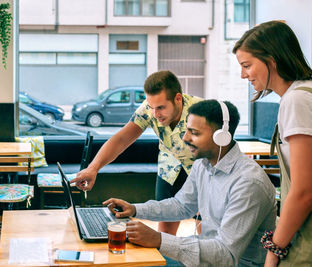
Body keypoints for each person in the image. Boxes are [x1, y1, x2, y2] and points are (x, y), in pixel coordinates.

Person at [104, 100, 277, 267]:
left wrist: (159, 239)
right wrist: (135, 209)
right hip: (206, 257)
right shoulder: (203, 163)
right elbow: (182, 206)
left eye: (194, 133)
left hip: (231, 263)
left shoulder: (248, 183)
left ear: (221, 137)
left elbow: (226, 254)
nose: (185, 138)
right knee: (133, 260)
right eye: (186, 130)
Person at [71, 70, 202, 235]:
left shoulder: (201, 111)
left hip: (200, 168)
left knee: (205, 224)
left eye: (161, 107)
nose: (155, 114)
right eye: (152, 107)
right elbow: (121, 139)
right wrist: (93, 168)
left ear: (178, 98)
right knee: (166, 227)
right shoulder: (149, 109)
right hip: (169, 167)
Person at [233, 20, 312, 267]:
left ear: (272, 60)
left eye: (247, 65)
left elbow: (303, 192)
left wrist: (273, 250)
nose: (243, 74)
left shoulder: (296, 100)